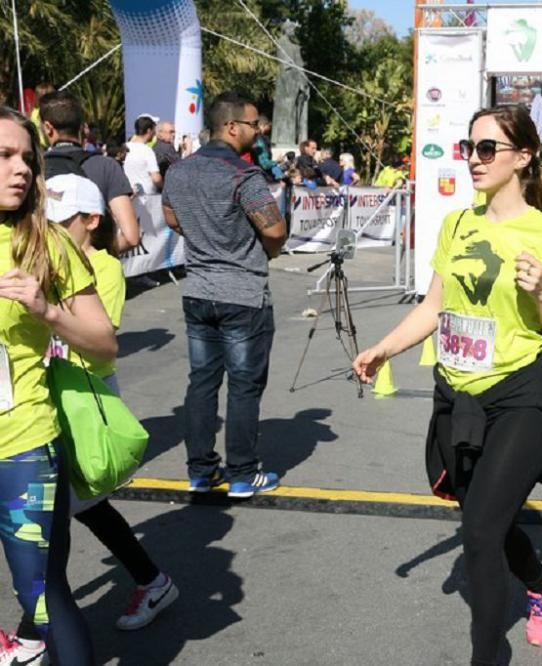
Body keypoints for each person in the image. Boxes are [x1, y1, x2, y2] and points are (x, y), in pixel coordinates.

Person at [353, 105, 542, 666]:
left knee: (482, 532)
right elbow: (434, 307)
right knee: (482, 518)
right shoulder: (458, 224)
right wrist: (384, 347)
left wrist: (540, 293)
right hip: (458, 397)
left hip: (519, 397)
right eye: (470, 147)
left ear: (524, 157)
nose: (474, 159)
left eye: (488, 149)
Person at [0, 106, 115, 665]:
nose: (20, 169)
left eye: (27, 158)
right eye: (4, 156)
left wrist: (46, 310)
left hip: (23, 444)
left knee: (41, 596)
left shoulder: (47, 244)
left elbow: (102, 342)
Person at [41, 174, 179, 633]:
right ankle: (151, 579)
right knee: (76, 507)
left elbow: (101, 339)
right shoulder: (41, 259)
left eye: (61, 222)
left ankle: (35, 624)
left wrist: (45, 316)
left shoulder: (102, 268)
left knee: (66, 509)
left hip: (84, 396)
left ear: (91, 220)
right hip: (45, 397)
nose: (50, 229)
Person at [161, 91, 288, 499]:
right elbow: (275, 230)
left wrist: (203, 238)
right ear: (232, 127)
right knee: (244, 385)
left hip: (197, 290)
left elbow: (170, 216)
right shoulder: (243, 175)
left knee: (202, 382)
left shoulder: (180, 171)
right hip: (242, 294)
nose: (258, 130)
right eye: (254, 124)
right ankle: (242, 473)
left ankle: (200, 471)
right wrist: (258, 250)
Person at [38, 91, 140, 251]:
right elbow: (131, 237)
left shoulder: (32, 169)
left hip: (44, 271)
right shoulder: (106, 166)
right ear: (82, 127)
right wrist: (96, 254)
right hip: (96, 271)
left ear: (47, 127)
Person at [123, 115, 162, 194]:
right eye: (154, 130)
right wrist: (164, 187)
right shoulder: (147, 151)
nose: (154, 134)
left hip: (128, 195)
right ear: (149, 130)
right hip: (146, 198)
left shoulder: (124, 147)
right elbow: (156, 178)